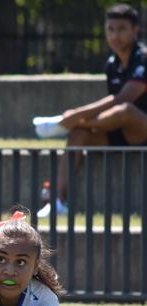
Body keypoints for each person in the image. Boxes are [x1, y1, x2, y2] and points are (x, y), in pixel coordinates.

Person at [38, 3, 147, 217]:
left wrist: (78, 115)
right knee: (78, 134)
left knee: (126, 110)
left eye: (122, 29)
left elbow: (124, 99)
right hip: (125, 133)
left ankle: (67, 123)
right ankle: (58, 202)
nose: (115, 35)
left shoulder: (143, 57)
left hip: (141, 126)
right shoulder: (112, 63)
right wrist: (81, 122)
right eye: (111, 29)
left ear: (135, 30)